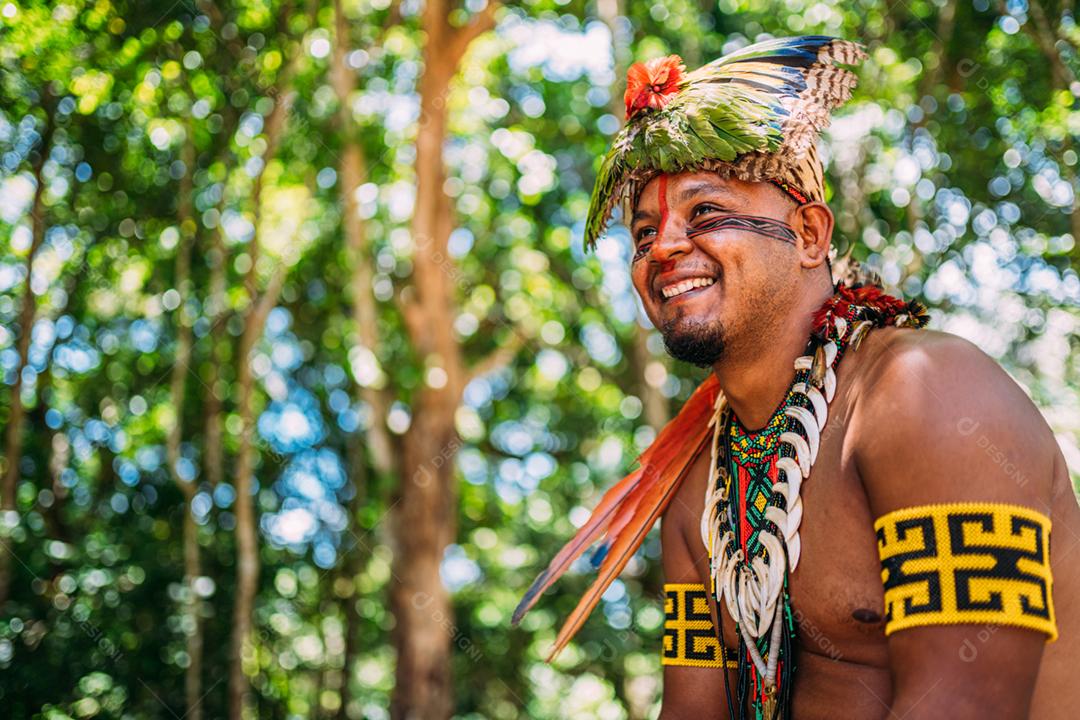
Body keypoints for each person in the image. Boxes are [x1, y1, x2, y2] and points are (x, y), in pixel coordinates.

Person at [512, 36, 1080, 719]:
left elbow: (965, 707)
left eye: (706, 212)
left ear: (809, 234)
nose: (663, 247)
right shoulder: (697, 489)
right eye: (642, 234)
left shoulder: (927, 394)